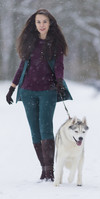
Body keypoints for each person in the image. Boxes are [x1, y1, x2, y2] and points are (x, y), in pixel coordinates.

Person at [6, 9, 72, 181]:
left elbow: (59, 66)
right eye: (38, 22)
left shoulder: (55, 44)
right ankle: (43, 170)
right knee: (35, 131)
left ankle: (50, 172)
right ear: (34, 25)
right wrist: (12, 88)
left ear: (50, 24)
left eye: (44, 22)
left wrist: (59, 81)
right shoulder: (30, 43)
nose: (41, 25)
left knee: (45, 128)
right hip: (27, 91)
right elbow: (22, 67)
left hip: (47, 91)